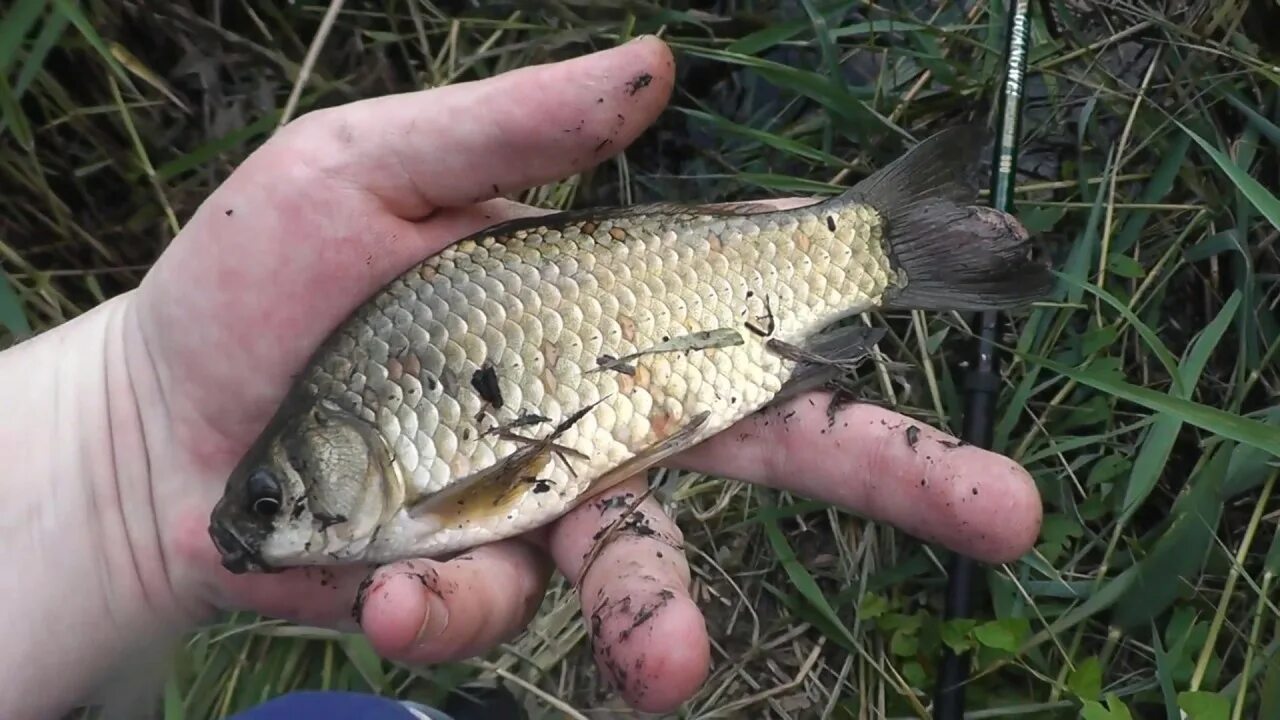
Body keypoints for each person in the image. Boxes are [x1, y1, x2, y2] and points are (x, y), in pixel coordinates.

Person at [0, 36, 1042, 720]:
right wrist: (118, 456)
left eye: (272, 499)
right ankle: (883, 239)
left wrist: (114, 427)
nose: (266, 524)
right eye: (268, 507)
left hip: (644, 307)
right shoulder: (367, 452)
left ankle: (880, 239)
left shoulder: (395, 473)